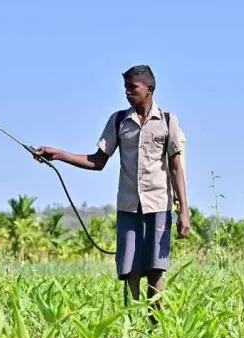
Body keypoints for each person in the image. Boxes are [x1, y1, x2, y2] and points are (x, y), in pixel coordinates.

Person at [34, 64, 190, 316]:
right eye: (125, 88)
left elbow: (175, 168)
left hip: (159, 205)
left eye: (133, 88)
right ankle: (131, 325)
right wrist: (59, 155)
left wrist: (184, 211)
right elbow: (97, 161)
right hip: (128, 206)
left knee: (156, 269)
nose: (127, 92)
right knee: (129, 269)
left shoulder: (168, 122)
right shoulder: (119, 121)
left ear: (149, 89)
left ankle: (156, 327)